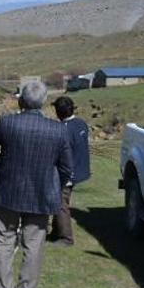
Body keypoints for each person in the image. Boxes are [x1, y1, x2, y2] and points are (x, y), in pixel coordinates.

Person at [0, 81, 73, 288]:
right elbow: (67, 168)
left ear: (21, 100)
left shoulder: (7, 124)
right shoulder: (58, 130)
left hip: (7, 192)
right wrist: (54, 186)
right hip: (41, 194)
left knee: (3, 239)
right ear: (43, 103)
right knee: (33, 244)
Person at [50, 96, 90, 247]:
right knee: (59, 200)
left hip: (69, 172)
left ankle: (66, 238)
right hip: (80, 169)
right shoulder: (81, 124)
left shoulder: (63, 129)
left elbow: (62, 154)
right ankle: (56, 231)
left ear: (59, 112)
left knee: (61, 203)